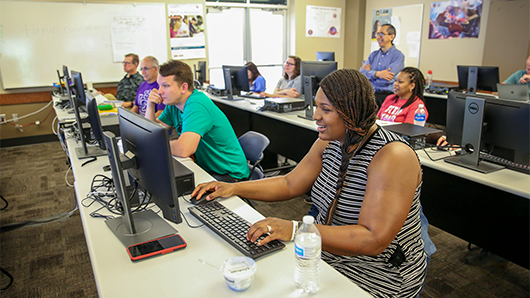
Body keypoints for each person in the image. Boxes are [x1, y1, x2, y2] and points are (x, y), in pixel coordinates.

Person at [194, 69, 427, 297]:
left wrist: (297, 230)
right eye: (317, 106)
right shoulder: (331, 141)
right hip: (327, 255)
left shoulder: (392, 156)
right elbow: (289, 183)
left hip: (378, 273)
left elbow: (372, 239)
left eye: (325, 109)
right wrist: (234, 187)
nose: (316, 115)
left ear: (352, 113)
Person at [145, 59, 249, 182]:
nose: (160, 91)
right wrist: (150, 106)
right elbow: (152, 132)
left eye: (166, 86)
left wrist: (153, 145)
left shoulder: (197, 105)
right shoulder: (174, 104)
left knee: (176, 189)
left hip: (229, 174)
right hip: (207, 167)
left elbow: (184, 149)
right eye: (159, 85)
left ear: (183, 87)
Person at [360, 24, 405, 109]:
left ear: (391, 37)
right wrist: (377, 74)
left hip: (387, 96)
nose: (378, 37)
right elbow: (362, 74)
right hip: (371, 94)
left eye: (381, 34)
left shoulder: (398, 56)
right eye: (377, 34)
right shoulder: (373, 55)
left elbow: (388, 79)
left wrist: (370, 74)